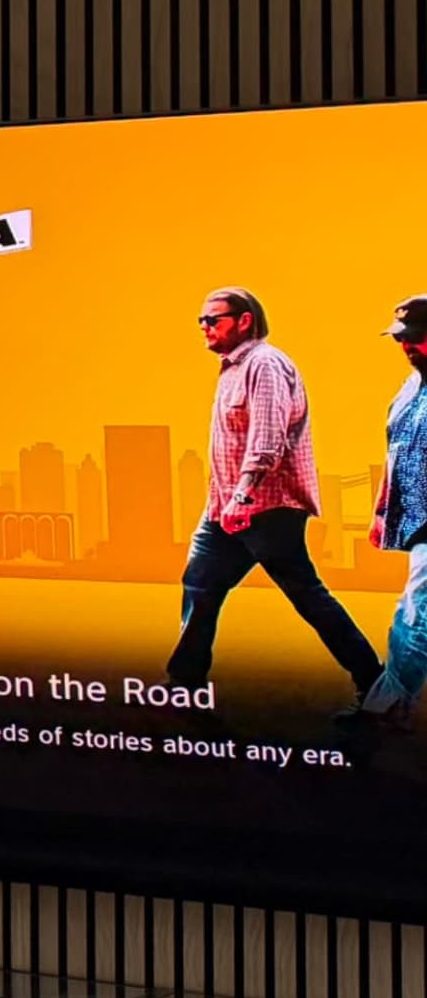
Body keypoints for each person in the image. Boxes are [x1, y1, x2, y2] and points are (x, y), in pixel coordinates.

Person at [166, 286, 383, 694]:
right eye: (201, 321)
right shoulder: (232, 368)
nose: (205, 328)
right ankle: (184, 684)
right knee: (200, 585)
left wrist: (243, 495)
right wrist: (225, 500)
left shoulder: (264, 364)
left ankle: (374, 683)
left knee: (306, 595)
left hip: (265, 507)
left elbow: (267, 439)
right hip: (225, 508)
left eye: (213, 319)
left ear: (244, 320)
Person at [360, 294, 427, 732]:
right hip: (419, 520)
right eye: (402, 339)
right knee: (413, 608)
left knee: (416, 612)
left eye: (416, 338)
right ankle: (391, 703)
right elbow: (394, 451)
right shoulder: (407, 389)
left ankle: (383, 707)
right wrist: (382, 509)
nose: (406, 347)